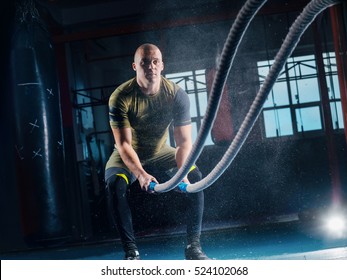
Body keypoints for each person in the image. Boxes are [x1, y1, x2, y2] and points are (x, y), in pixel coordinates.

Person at [104, 43, 209, 260]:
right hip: (129, 153)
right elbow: (123, 145)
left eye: (155, 62)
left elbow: (183, 142)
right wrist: (141, 174)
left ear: (162, 65)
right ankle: (131, 252)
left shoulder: (177, 95)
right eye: (144, 62)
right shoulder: (121, 96)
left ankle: (193, 248)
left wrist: (183, 175)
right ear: (135, 66)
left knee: (196, 178)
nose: (150, 66)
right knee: (116, 184)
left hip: (161, 151)